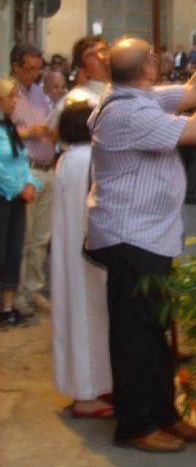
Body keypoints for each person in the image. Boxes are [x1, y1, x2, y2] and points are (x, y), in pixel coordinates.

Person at [85, 16, 196, 453]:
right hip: (130, 238)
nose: (158, 62)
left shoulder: (142, 96)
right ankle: (135, 425)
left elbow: (192, 92)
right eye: (153, 57)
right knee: (135, 336)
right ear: (148, 70)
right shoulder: (128, 113)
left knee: (154, 332)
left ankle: (163, 414)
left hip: (149, 236)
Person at [50, 100, 113, 417]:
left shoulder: (66, 159)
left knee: (76, 319)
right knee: (90, 320)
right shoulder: (90, 158)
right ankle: (87, 395)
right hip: (88, 252)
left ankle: (87, 387)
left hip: (69, 250)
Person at [9, 43, 55, 316]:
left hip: (47, 167)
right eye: (30, 69)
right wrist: (27, 132)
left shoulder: (39, 91)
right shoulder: (6, 91)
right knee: (23, 237)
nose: (35, 75)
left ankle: (34, 289)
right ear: (16, 66)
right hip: (24, 170)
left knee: (41, 237)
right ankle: (16, 294)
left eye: (38, 69)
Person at [0, 77, 40, 329]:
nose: (15, 101)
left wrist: (30, 183)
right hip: (4, 197)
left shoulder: (9, 127)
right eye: (11, 97)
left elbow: (21, 160)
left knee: (13, 249)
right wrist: (17, 188)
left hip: (15, 199)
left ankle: (7, 307)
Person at [48, 36, 111, 131]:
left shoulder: (128, 90)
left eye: (103, 50)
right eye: (91, 55)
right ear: (84, 69)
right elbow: (49, 131)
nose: (101, 57)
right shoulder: (77, 99)